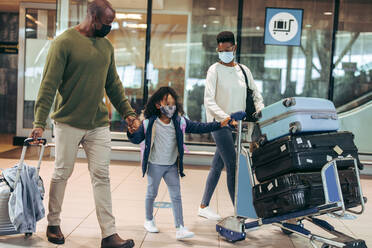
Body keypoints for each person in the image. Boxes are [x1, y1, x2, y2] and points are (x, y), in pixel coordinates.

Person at [30, 1, 140, 247]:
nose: (108, 28)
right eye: (106, 22)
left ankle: (109, 234)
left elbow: (113, 84)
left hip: (98, 123)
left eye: (111, 23)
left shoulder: (106, 47)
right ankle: (53, 223)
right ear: (92, 16)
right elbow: (48, 84)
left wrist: (129, 114)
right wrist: (39, 122)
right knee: (61, 173)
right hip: (68, 121)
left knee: (102, 176)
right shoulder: (64, 42)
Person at [127, 87, 238, 240]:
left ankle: (180, 228)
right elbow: (137, 138)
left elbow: (199, 127)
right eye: (167, 103)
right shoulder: (149, 123)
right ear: (158, 105)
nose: (170, 107)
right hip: (155, 165)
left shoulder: (179, 121)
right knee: (152, 193)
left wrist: (220, 124)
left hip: (172, 165)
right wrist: (131, 132)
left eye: (173, 104)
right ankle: (149, 220)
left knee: (176, 196)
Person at [198, 31, 264, 220]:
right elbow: (208, 101)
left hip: (238, 125)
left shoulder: (244, 70)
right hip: (220, 125)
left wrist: (260, 109)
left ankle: (203, 206)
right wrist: (226, 118)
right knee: (233, 165)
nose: (224, 53)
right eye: (220, 50)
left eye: (227, 49)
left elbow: (255, 95)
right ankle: (240, 210)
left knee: (217, 165)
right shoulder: (214, 70)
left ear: (234, 48)